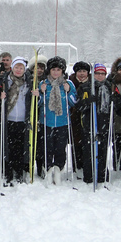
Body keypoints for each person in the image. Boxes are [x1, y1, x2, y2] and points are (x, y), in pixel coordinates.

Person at [33, 56, 76, 185]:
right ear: (49, 71)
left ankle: (58, 168)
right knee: (47, 148)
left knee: (60, 148)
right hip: (47, 122)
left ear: (62, 71)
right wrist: (39, 94)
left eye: (58, 69)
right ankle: (47, 169)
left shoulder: (68, 84)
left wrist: (69, 92)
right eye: (53, 69)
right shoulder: (43, 83)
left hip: (63, 122)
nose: (56, 72)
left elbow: (74, 102)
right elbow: (39, 103)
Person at [0, 56, 32, 185]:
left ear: (24, 69)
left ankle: (19, 171)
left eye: (21, 67)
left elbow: (33, 102)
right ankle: (8, 172)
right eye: (16, 67)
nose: (18, 70)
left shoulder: (28, 83)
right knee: (9, 147)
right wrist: (0, 97)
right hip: (9, 119)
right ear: (12, 67)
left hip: (22, 120)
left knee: (20, 147)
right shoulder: (6, 81)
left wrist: (36, 96)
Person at [76, 63, 113, 185]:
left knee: (103, 150)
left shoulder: (109, 87)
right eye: (97, 73)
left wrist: (114, 101)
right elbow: (79, 105)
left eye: (102, 74)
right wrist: (88, 101)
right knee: (89, 151)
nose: (100, 76)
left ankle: (102, 175)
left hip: (104, 124)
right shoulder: (86, 87)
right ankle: (89, 175)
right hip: (89, 124)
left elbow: (115, 105)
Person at [27, 54, 48, 177]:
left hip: (42, 116)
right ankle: (28, 167)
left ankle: (41, 167)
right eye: (36, 67)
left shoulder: (47, 81)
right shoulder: (28, 79)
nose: (39, 70)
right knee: (30, 143)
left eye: (41, 67)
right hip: (30, 115)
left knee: (41, 144)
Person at [69, 61, 90, 173]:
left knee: (86, 141)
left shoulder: (91, 83)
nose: (82, 74)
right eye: (79, 71)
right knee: (75, 141)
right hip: (74, 117)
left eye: (84, 71)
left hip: (87, 116)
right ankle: (76, 164)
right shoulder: (71, 82)